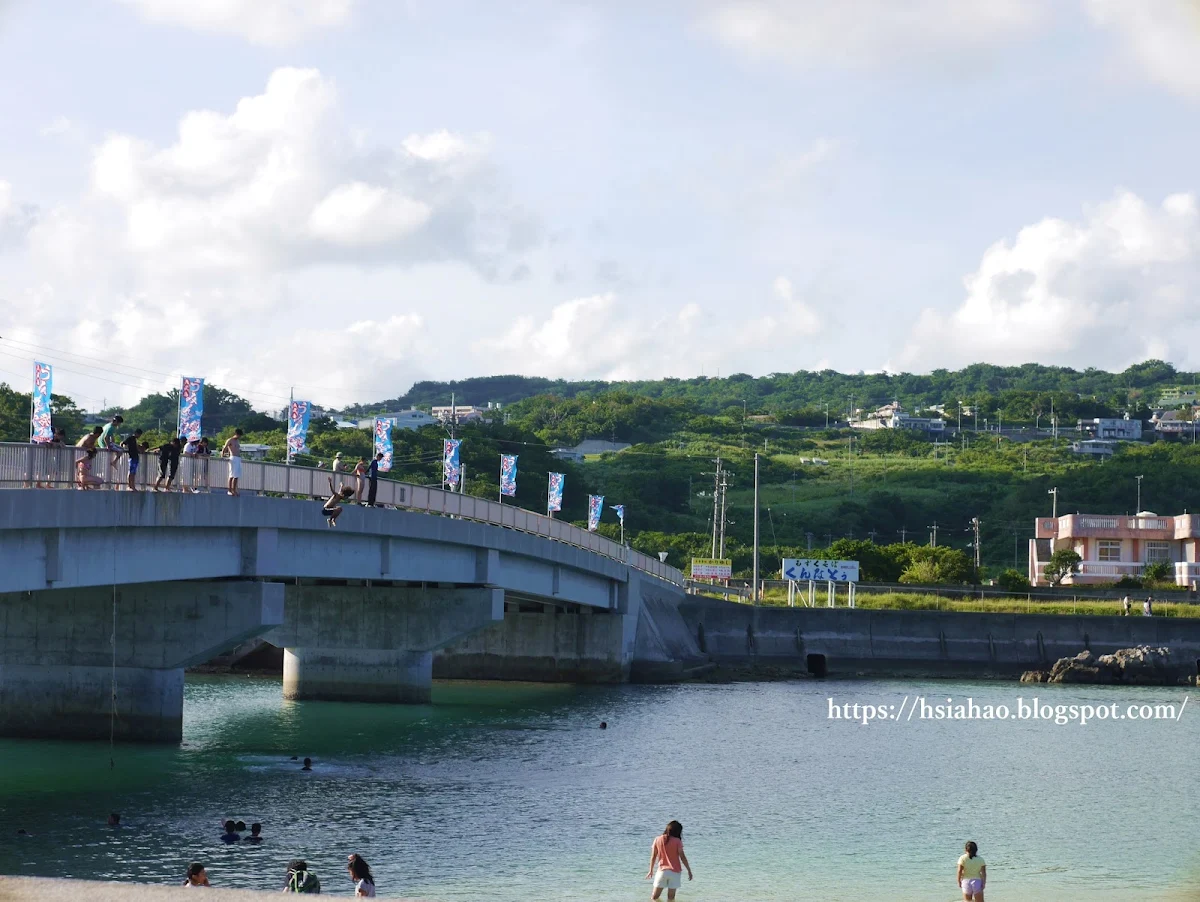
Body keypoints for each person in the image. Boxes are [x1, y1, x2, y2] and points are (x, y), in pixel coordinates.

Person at [646, 820, 692, 901]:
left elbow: (653, 856)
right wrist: (689, 870)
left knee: (654, 897)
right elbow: (682, 857)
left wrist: (650, 870)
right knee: (671, 898)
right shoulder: (677, 841)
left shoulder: (657, 839)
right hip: (675, 872)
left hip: (662, 871)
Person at [98, 415, 124, 482]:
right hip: (105, 443)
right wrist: (108, 446)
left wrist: (113, 443)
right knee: (121, 451)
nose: (119, 425)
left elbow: (111, 436)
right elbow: (106, 437)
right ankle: (114, 462)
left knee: (120, 448)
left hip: (102, 442)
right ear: (116, 422)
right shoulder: (111, 427)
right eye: (119, 423)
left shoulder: (109, 425)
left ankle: (114, 459)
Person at [222, 429, 244, 496]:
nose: (239, 437)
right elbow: (225, 448)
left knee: (236, 475)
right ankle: (230, 490)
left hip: (238, 458)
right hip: (233, 458)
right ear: (236, 434)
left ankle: (234, 490)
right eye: (239, 435)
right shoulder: (230, 440)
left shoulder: (237, 441)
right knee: (232, 475)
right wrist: (222, 456)